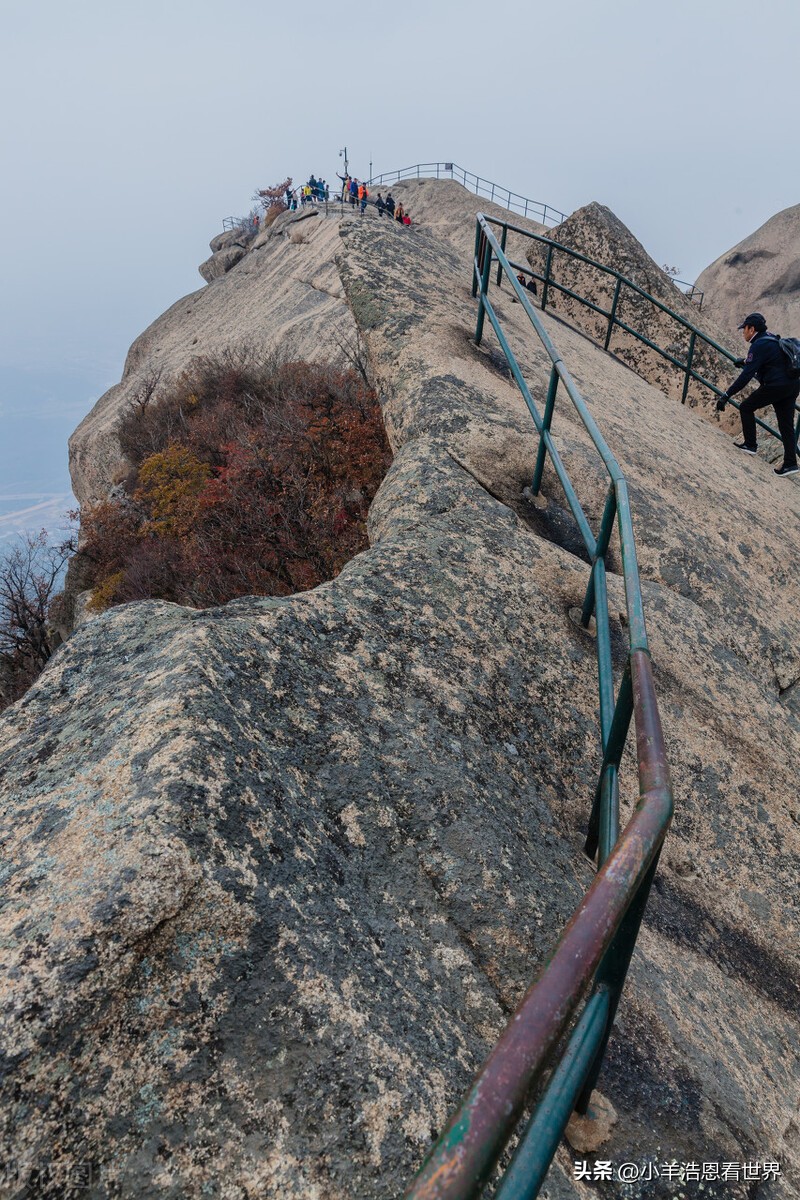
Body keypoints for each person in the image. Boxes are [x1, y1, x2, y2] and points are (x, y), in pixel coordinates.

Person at [716, 312, 799, 477]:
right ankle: (791, 463)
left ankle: (750, 445)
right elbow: (770, 359)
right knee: (786, 425)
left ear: (751, 329)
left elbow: (746, 376)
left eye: (744, 329)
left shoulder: (758, 345)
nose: (743, 332)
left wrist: (727, 394)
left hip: (776, 386)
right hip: (792, 385)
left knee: (746, 407)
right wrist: (746, 361)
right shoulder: (770, 338)